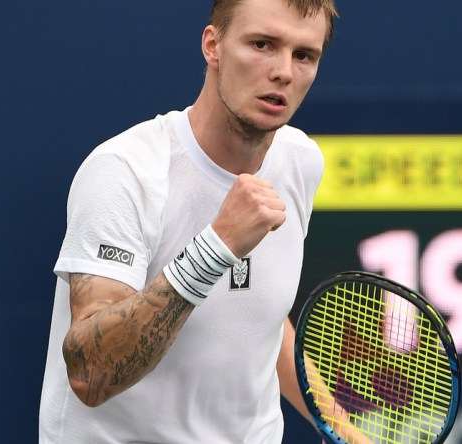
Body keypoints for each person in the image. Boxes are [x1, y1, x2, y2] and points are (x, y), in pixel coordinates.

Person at [38, 0, 373, 443]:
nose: (284, 72)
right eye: (262, 44)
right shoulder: (124, 171)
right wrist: (216, 246)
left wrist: (347, 433)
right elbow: (90, 374)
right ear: (213, 46)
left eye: (304, 55)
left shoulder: (300, 160)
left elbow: (263, 323)